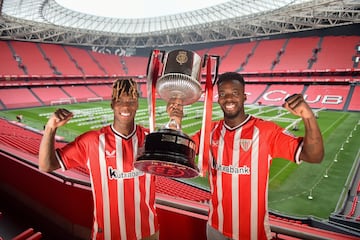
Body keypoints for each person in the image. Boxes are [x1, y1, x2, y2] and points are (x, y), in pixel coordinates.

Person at [168, 72, 324, 240]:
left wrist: (308, 117)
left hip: (252, 234)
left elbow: (313, 156)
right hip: (215, 228)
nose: (228, 99)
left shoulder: (266, 131)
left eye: (235, 93)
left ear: (244, 96)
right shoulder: (209, 131)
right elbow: (178, 151)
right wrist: (175, 121)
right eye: (222, 94)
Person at [39, 78, 159, 240]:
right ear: (112, 104)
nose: (125, 106)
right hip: (107, 235)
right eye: (119, 101)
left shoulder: (152, 139)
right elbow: (46, 165)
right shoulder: (92, 141)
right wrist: (50, 129)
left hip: (148, 233)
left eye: (131, 101)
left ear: (137, 104)